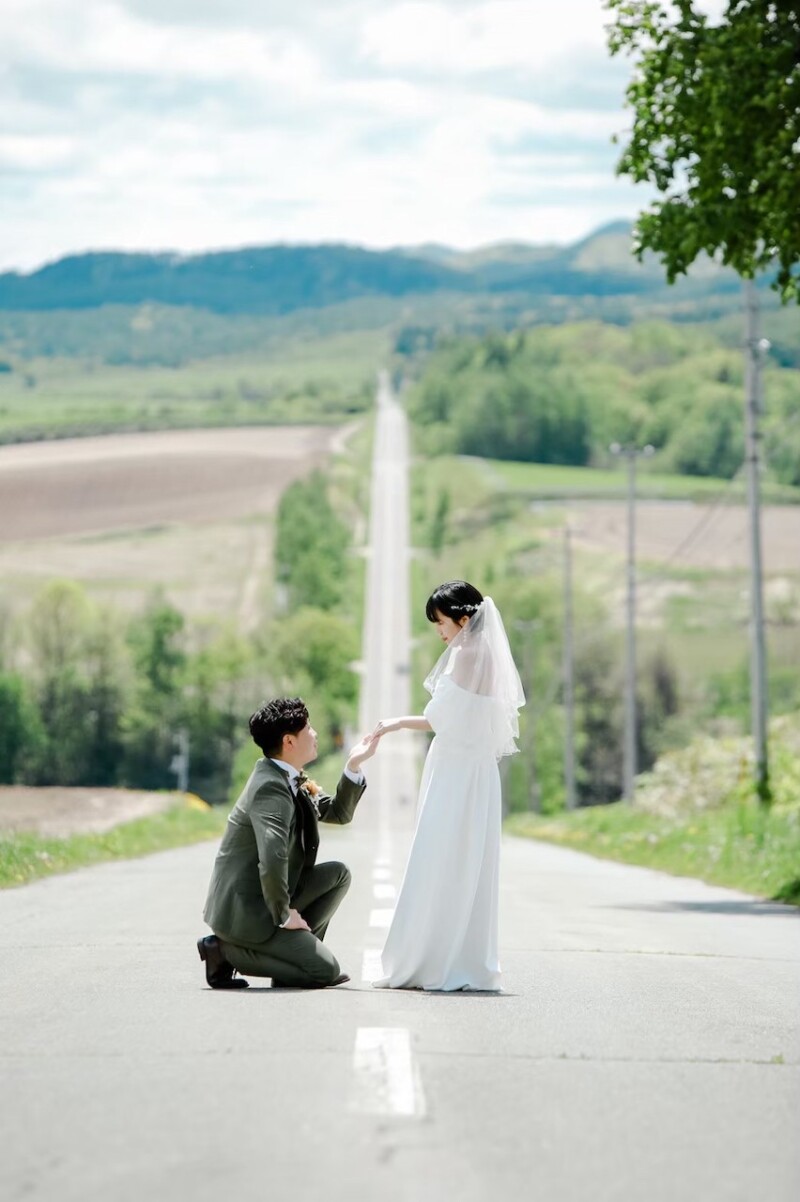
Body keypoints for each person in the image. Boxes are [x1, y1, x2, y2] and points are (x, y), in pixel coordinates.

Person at [371, 581, 525, 992]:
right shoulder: (491, 657)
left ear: (463, 619)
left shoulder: (464, 656)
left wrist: (396, 722)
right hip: (478, 773)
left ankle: (427, 960)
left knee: (436, 858)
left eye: (441, 622)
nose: (439, 631)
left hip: (455, 772)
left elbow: (440, 719)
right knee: (469, 864)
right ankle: (464, 961)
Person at [198, 697, 380, 990]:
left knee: (337, 874)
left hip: (265, 897)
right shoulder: (270, 787)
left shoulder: (289, 777)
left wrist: (353, 764)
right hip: (247, 911)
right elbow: (273, 857)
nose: (315, 733)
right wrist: (283, 914)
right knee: (324, 972)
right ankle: (223, 951)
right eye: (308, 728)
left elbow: (337, 813)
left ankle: (295, 958)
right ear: (289, 741)